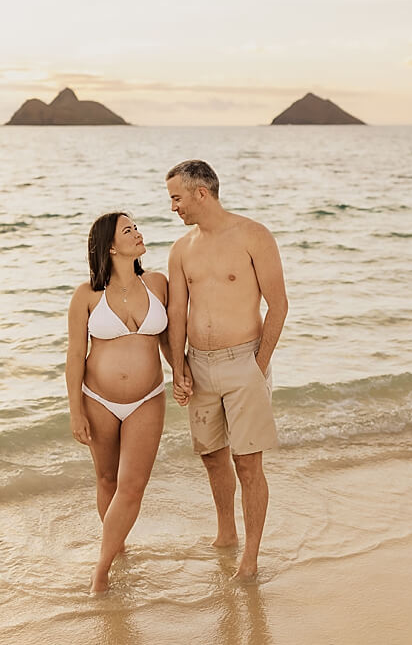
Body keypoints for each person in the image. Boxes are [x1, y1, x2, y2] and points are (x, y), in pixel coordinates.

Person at [165, 159, 288, 580]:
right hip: (199, 366)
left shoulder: (254, 235)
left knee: (248, 462)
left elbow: (279, 304)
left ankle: (250, 559)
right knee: (212, 458)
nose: (174, 207)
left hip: (245, 363)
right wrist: (178, 367)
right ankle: (226, 534)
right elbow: (176, 311)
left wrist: (259, 365)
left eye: (177, 198)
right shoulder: (181, 249)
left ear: (201, 193)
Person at [66, 212, 171, 594]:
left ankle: (101, 570)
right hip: (98, 400)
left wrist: (185, 373)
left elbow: (170, 342)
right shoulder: (87, 295)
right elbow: (75, 355)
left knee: (131, 486)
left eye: (137, 227)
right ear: (111, 246)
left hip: (148, 398)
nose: (138, 233)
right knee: (107, 479)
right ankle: (118, 546)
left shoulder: (159, 284)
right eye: (129, 230)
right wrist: (76, 410)